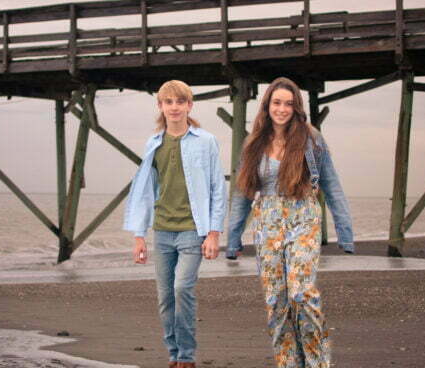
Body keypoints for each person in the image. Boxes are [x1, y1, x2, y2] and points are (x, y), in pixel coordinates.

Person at [226, 77, 354, 368]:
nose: (282, 109)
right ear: (267, 105)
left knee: (301, 293)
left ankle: (317, 362)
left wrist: (345, 233)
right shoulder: (254, 143)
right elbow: (243, 193)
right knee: (276, 302)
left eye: (288, 103)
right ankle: (288, 363)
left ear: (296, 107)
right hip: (266, 222)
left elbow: (331, 186)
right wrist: (233, 238)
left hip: (303, 218)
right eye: (276, 103)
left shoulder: (311, 139)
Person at [124, 80, 226, 368]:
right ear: (160, 106)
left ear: (189, 105)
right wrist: (139, 236)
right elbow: (145, 191)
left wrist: (214, 234)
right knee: (165, 297)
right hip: (163, 231)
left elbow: (218, 187)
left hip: (193, 230)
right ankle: (173, 354)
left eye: (180, 102)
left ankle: (187, 356)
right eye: (168, 102)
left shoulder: (205, 141)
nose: (174, 107)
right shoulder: (153, 143)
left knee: (183, 289)